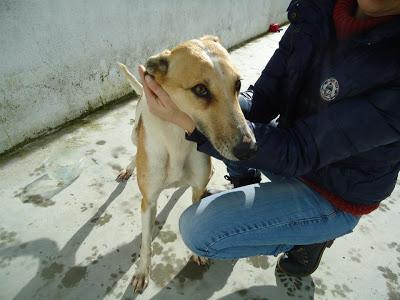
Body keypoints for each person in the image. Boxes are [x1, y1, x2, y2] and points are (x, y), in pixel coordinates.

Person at [137, 0, 400, 276]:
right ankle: (248, 187)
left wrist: (189, 123)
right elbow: (262, 100)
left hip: (337, 192)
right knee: (239, 135)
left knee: (199, 231)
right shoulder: (318, 8)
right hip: (294, 149)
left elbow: (299, 150)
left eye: (234, 84)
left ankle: (309, 237)